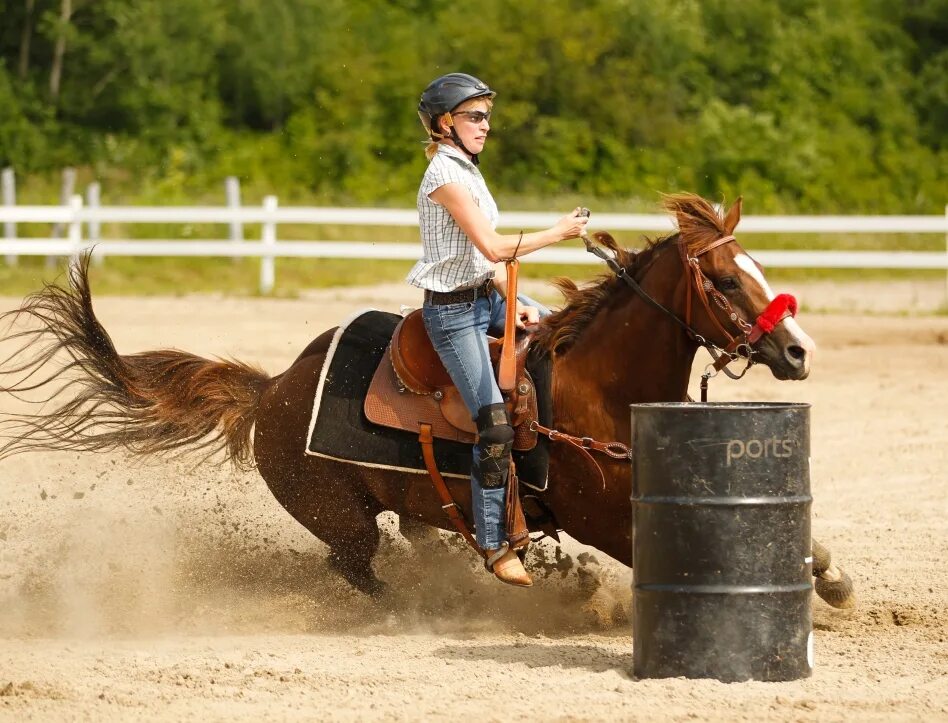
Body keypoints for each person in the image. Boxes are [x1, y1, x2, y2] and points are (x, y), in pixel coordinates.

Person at [408, 72, 589, 587]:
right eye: (477, 116)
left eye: (488, 116)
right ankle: (493, 543)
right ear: (446, 123)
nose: (487, 125)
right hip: (451, 314)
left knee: (564, 341)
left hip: (487, 297)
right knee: (493, 424)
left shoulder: (466, 167)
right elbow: (490, 247)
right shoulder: (443, 176)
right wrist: (558, 232)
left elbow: (482, 261)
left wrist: (516, 302)